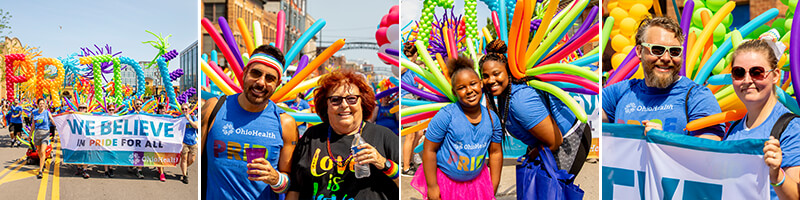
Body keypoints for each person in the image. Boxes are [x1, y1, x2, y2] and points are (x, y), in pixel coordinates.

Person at [202, 45, 299, 199]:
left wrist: (276, 179)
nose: (261, 82)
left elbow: (292, 184)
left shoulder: (285, 123)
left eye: (270, 78)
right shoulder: (214, 108)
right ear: (245, 73)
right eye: (256, 73)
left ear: (277, 83)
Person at [602, 17, 724, 140]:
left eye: (674, 51)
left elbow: (709, 150)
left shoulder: (697, 96)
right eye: (657, 50)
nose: (666, 57)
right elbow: (590, 113)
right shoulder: (620, 92)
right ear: (639, 51)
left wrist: (665, 141)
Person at [287, 68, 399, 199]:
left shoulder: (384, 136)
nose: (344, 105)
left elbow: (401, 186)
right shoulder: (311, 136)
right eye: (335, 99)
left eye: (351, 99)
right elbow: (295, 188)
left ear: (362, 102)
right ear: (326, 105)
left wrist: (383, 163)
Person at [410, 56, 503, 200]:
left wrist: (493, 186)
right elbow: (429, 149)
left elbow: (495, 153)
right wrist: (433, 186)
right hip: (446, 183)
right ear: (454, 92)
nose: (469, 90)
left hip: (477, 183)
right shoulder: (446, 116)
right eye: (461, 87)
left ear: (480, 84)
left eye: (473, 84)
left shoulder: (492, 119)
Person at [721, 39, 800, 200]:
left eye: (757, 72)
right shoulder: (734, 129)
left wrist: (777, 175)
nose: (747, 80)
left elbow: (796, 196)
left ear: (775, 76)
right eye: (739, 72)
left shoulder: (792, 128)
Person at [401, 41, 425, 176]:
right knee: (410, 134)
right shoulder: (405, 65)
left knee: (418, 133)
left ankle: (410, 161)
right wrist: (407, 61)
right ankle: (406, 167)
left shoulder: (413, 68)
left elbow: (418, 86)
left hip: (414, 100)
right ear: (415, 54)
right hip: (406, 100)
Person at [33, 98, 55, 179]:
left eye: (43, 103)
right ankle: (43, 161)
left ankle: (40, 170)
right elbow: (33, 124)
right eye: (40, 103)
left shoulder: (47, 112)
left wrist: (58, 126)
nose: (42, 105)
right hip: (37, 134)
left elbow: (52, 120)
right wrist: (30, 135)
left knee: (42, 151)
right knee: (39, 151)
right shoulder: (35, 113)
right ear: (38, 104)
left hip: (45, 134)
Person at [179, 103, 198, 184]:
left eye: (186, 109)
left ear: (189, 110)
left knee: (192, 159)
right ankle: (184, 176)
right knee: (184, 159)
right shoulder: (180, 118)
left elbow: (196, 126)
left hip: (193, 142)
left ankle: (185, 168)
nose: (184, 110)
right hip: (184, 142)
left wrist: (188, 119)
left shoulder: (193, 117)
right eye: (182, 109)